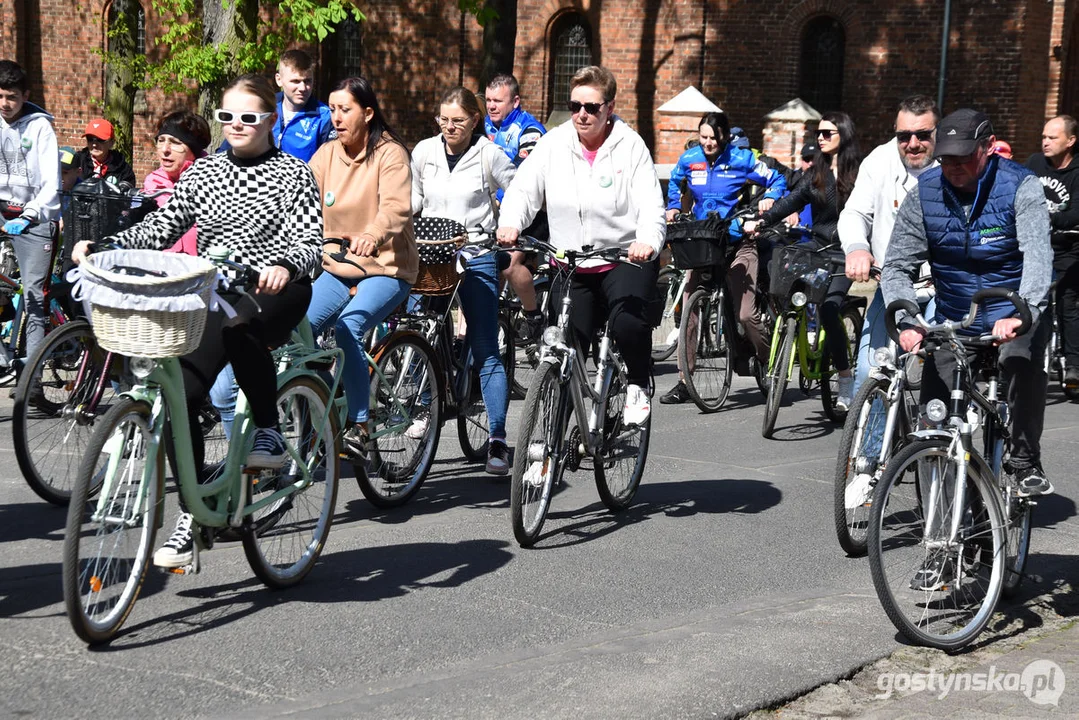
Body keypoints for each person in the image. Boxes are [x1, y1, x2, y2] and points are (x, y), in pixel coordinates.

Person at [72, 73, 323, 568]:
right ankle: (196, 512)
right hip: (218, 289)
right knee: (180, 392)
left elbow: (310, 244)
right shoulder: (204, 173)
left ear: (270, 120)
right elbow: (164, 225)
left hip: (276, 290)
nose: (236, 125)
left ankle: (270, 431)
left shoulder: (294, 174)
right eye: (226, 116)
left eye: (248, 117)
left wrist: (284, 266)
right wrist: (105, 247)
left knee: (239, 327)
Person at [882, 108, 1054, 498]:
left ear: (988, 148)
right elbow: (897, 265)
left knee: (1019, 361)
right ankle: (955, 520)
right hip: (956, 316)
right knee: (936, 413)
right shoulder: (924, 193)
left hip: (1013, 308)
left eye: (964, 157)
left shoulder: (1020, 187)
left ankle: (1025, 458)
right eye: (946, 159)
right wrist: (908, 319)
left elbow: (1038, 258)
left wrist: (1020, 313)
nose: (954, 167)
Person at [497, 65, 666, 426]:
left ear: (610, 107)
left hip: (622, 257)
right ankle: (546, 451)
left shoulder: (630, 145)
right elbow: (523, 190)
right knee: (565, 351)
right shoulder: (554, 144)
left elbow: (652, 205)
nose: (582, 115)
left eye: (591, 107)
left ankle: (637, 383)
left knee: (628, 325)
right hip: (571, 260)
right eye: (575, 106)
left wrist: (647, 241)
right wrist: (510, 222)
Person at [306, 76, 417, 458]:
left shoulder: (390, 154)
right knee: (298, 329)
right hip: (337, 265)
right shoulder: (325, 155)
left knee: (347, 327)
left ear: (367, 113)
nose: (336, 117)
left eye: (345, 109)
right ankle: (321, 406)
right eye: (332, 109)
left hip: (386, 267)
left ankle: (361, 424)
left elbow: (396, 208)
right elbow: (301, 198)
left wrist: (373, 232)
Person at [412, 85, 516, 474]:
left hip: (476, 253)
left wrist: (509, 223)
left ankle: (498, 440)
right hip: (432, 254)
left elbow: (518, 188)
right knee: (420, 329)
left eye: (457, 120)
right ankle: (426, 401)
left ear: (475, 120)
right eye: (443, 119)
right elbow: (412, 199)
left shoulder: (488, 154)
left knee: (486, 345)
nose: (449, 126)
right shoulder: (424, 151)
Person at [660, 111, 787, 404]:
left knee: (745, 314)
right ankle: (684, 381)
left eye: (712, 138)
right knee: (688, 314)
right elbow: (676, 184)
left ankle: (771, 364)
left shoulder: (741, 159)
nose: (707, 143)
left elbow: (778, 179)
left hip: (737, 241)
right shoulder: (690, 158)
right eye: (703, 137)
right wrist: (674, 207)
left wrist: (770, 198)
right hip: (704, 241)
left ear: (724, 137)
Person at [746, 111, 863, 409]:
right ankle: (787, 338)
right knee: (785, 283)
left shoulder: (860, 175)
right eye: (818, 134)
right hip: (817, 245)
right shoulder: (816, 174)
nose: (820, 139)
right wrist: (763, 220)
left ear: (844, 136)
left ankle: (846, 379)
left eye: (827, 134)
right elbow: (792, 199)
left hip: (846, 252)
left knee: (829, 308)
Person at [839, 94, 939, 397]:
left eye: (923, 135)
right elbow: (855, 212)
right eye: (903, 136)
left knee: (940, 365)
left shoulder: (954, 163)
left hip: (941, 286)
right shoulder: (879, 160)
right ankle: (869, 445)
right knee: (871, 369)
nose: (912, 143)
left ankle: (933, 439)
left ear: (937, 133)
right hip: (891, 282)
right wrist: (857, 247)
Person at [0, 59, 61, 367]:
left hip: (32, 216)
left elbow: (52, 184)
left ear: (25, 95)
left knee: (34, 296)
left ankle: (33, 378)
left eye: (11, 96)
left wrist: (29, 215)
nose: (5, 103)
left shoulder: (40, 128)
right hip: (1, 210)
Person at [485, 73, 546, 339]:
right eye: (487, 100)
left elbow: (524, 175)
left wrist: (500, 196)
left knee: (508, 263)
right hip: (495, 209)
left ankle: (533, 315)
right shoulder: (486, 125)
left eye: (498, 100)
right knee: (484, 267)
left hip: (532, 210)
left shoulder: (530, 129)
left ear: (516, 101)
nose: (491, 106)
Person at [1026, 115, 1079, 387]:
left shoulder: (1077, 172)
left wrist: (1046, 219)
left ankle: (1074, 365)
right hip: (1036, 245)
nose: (1045, 142)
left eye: (1052, 138)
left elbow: (1075, 213)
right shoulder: (1035, 164)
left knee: (1068, 299)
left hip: (1068, 246)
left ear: (1070, 141)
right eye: (1044, 137)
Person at [217, 50, 335, 161]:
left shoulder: (324, 117)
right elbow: (226, 149)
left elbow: (329, 165)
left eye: (308, 81)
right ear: (279, 80)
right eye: (295, 81)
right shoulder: (263, 106)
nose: (303, 88)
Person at [141, 109, 211, 256]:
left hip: (202, 272)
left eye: (175, 142)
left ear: (193, 149)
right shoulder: (152, 184)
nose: (165, 150)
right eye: (161, 140)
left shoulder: (213, 180)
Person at [73, 117, 137, 187]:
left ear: (111, 143)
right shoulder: (77, 161)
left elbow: (127, 193)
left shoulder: (122, 168)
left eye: (100, 140)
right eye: (90, 139)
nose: (94, 144)